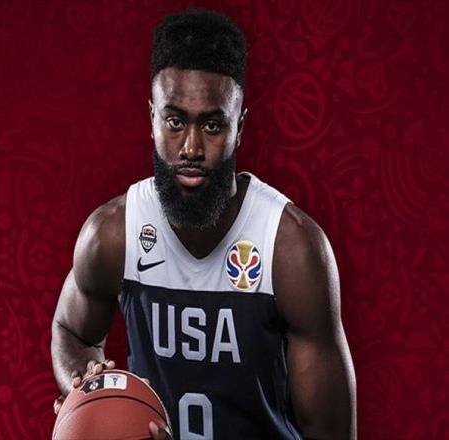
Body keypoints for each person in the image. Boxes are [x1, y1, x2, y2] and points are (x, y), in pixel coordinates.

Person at [51, 9, 356, 440]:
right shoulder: (114, 234)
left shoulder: (289, 248)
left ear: (239, 127)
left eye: (212, 125)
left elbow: (331, 433)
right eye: (175, 122)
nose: (191, 148)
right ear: (152, 119)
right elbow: (71, 331)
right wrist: (92, 395)